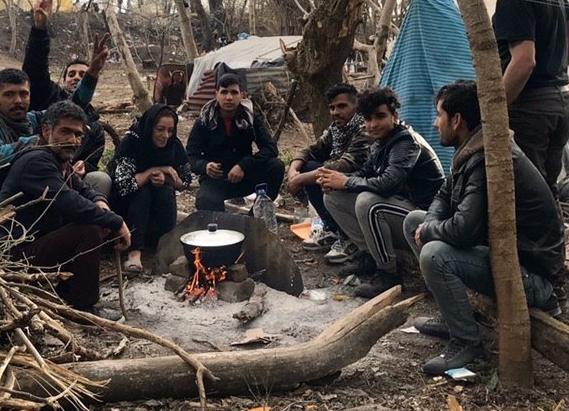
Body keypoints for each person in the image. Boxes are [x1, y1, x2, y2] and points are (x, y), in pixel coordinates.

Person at [404, 80, 565, 375]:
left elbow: (464, 229)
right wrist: (427, 224)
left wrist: (430, 231)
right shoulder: (474, 146)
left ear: (457, 120)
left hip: (531, 277)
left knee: (434, 254)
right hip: (507, 259)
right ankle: (451, 315)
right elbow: (444, 194)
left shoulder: (488, 159)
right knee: (414, 220)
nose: (434, 123)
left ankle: (466, 341)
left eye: (438, 115)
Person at [468, 0, 569, 191]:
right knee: (546, 189)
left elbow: (524, 60)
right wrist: (554, 70)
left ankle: (537, 233)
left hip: (530, 110)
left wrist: (494, 113)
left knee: (526, 194)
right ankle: (555, 232)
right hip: (561, 104)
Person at [0, 101, 129, 313]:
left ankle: (67, 291)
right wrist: (116, 221)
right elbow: (71, 202)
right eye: (65, 132)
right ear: (46, 130)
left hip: (34, 244)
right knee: (89, 229)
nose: (73, 140)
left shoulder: (57, 158)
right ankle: (83, 307)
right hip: (13, 255)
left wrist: (101, 203)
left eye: (77, 135)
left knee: (93, 218)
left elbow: (84, 189)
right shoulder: (36, 161)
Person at [321, 86, 444, 300]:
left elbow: (387, 183)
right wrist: (336, 181)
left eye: (379, 117)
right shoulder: (381, 142)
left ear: (394, 116)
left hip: (424, 220)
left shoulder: (406, 142)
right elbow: (366, 172)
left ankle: (388, 274)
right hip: (401, 211)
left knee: (369, 202)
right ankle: (369, 255)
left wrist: (347, 181)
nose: (372, 124)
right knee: (333, 197)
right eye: (368, 119)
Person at [0, 58, 104, 212]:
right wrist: (38, 141)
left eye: (23, 94)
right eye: (9, 95)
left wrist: (92, 74)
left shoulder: (34, 120)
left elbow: (71, 110)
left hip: (34, 206)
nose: (18, 101)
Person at [24, 0, 110, 193]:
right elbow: (34, 71)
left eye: (83, 75)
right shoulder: (48, 97)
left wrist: (82, 167)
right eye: (72, 74)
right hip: (40, 174)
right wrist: (39, 30)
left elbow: (92, 160)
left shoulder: (95, 127)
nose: (77, 78)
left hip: (75, 182)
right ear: (63, 79)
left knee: (101, 179)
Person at [286, 83, 370, 262]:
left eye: (342, 106)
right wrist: (293, 170)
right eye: (332, 108)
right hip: (341, 182)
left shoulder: (366, 127)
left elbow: (345, 165)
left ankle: (350, 237)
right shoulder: (336, 129)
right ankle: (334, 230)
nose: (335, 112)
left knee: (318, 175)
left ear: (356, 106)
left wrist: (300, 179)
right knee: (308, 166)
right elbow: (310, 150)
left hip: (364, 184)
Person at [108, 104, 193, 275]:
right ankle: (134, 253)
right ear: (150, 127)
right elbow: (123, 186)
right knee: (144, 192)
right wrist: (150, 172)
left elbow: (184, 181)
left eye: (170, 130)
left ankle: (166, 245)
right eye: (160, 129)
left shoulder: (173, 144)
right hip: (127, 209)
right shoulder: (133, 142)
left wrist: (166, 177)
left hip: (157, 211)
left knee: (164, 190)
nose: (165, 136)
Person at [186, 73, 284, 213]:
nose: (229, 97)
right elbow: (190, 156)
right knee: (205, 200)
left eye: (234, 92)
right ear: (216, 94)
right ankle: (220, 228)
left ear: (242, 95)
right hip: (216, 180)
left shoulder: (250, 118)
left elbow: (270, 148)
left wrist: (244, 165)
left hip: (246, 176)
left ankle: (255, 217)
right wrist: (205, 166)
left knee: (276, 166)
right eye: (224, 92)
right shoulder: (204, 121)